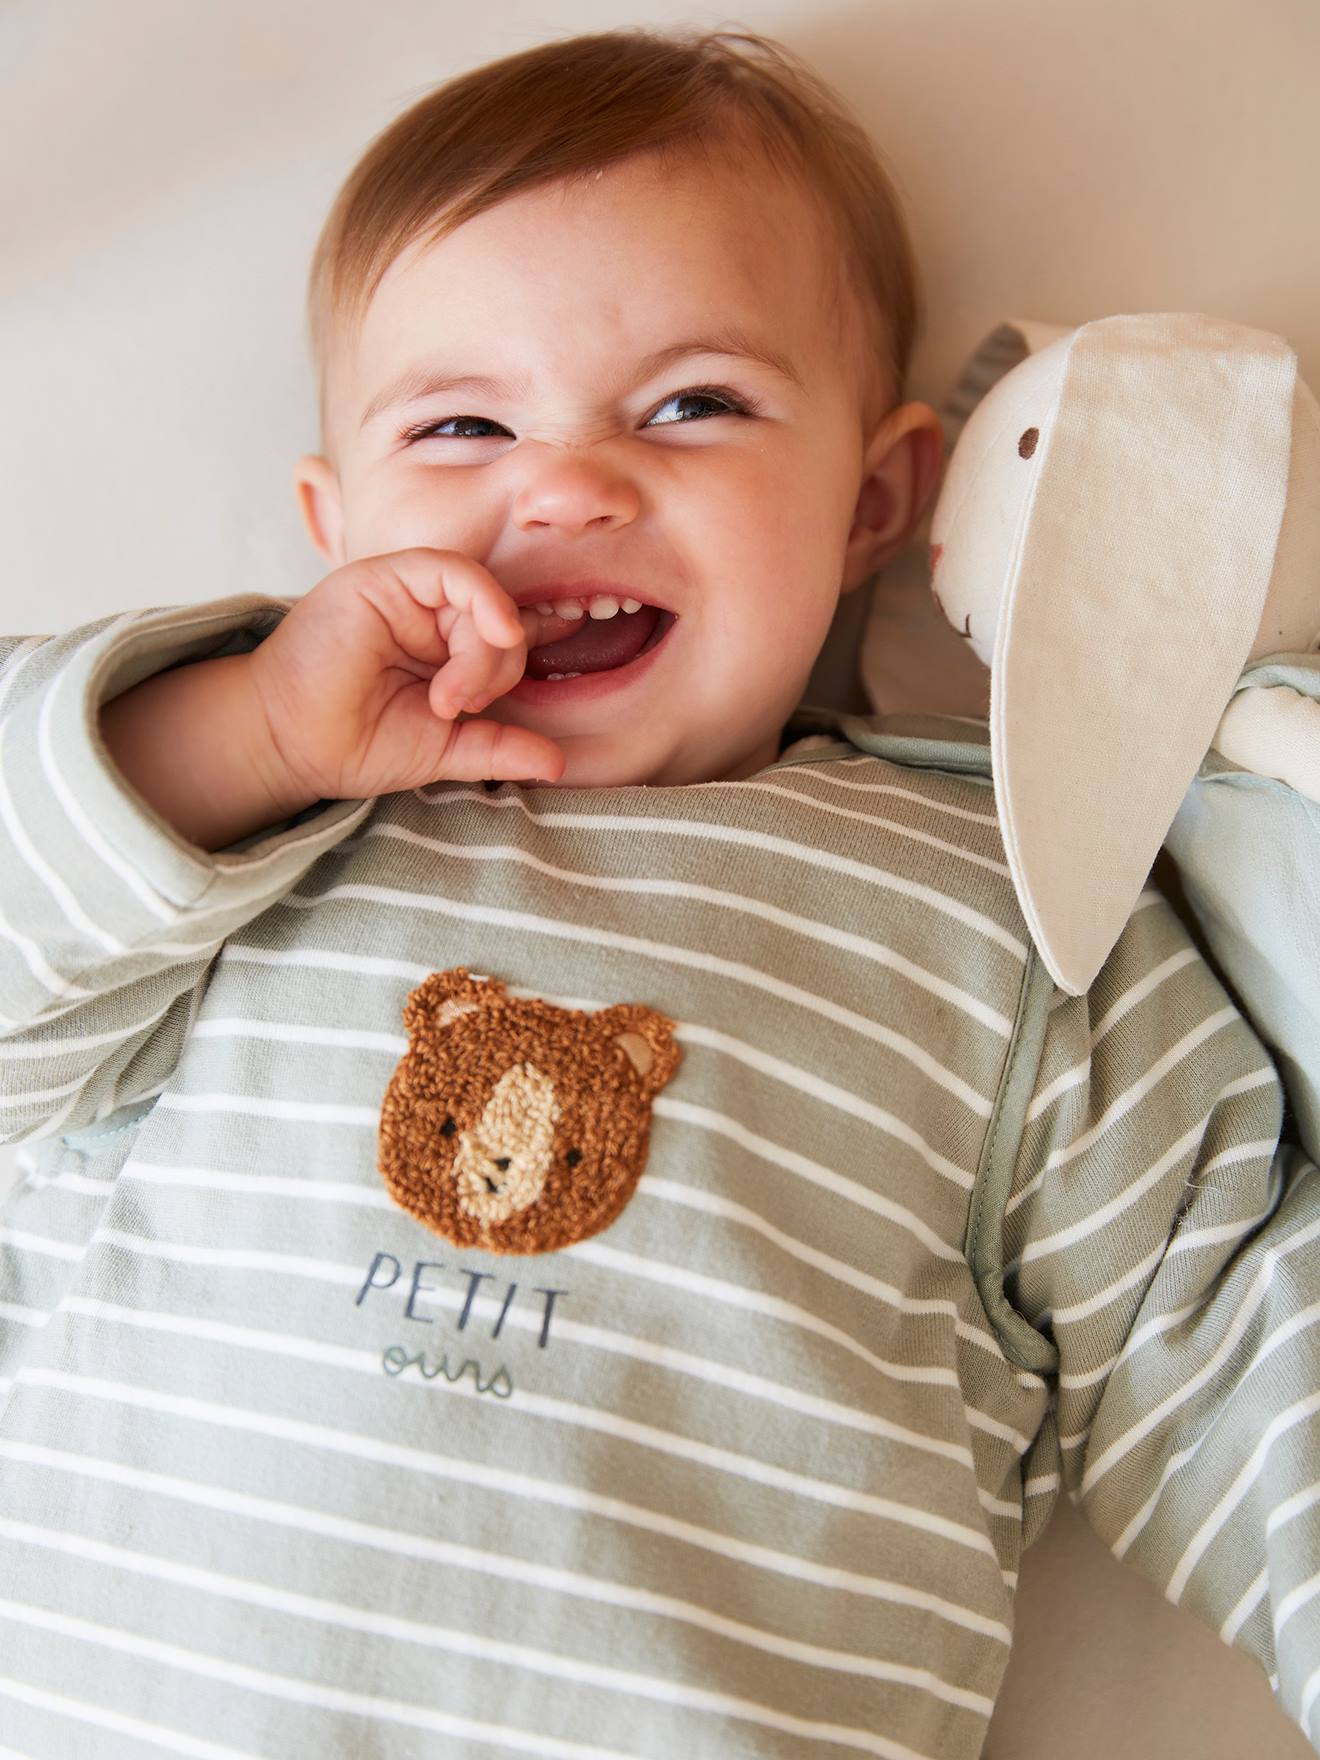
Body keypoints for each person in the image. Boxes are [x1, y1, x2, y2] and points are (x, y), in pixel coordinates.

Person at [1, 25, 1316, 1760]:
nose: (563, 482)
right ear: (333, 523)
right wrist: (243, 728)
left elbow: (1224, 1335)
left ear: (873, 499)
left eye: (694, 405)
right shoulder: (239, 838)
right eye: (463, 423)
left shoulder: (1012, 912)